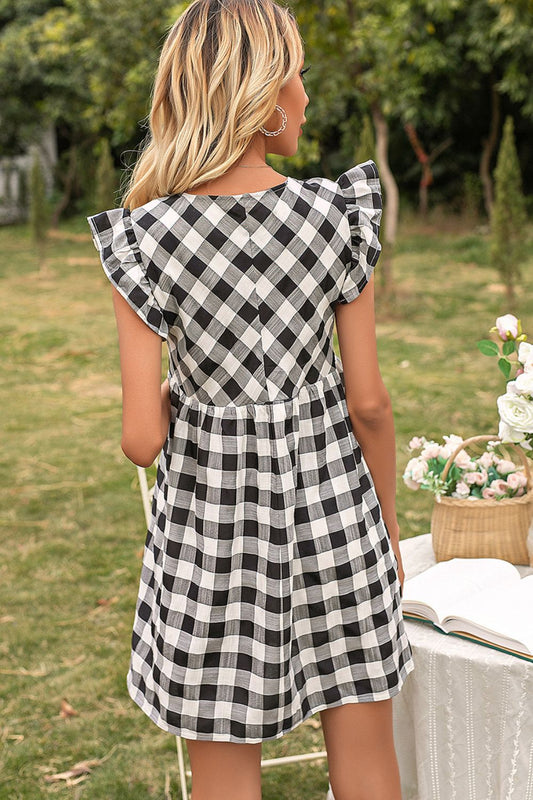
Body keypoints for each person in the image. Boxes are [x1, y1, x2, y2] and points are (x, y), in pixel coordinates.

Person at [87, 1, 415, 798]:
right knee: (367, 759)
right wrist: (385, 525)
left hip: (212, 536)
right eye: (297, 75)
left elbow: (140, 440)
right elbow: (368, 404)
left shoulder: (145, 237)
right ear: (264, 95)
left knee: (225, 772)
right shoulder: (335, 215)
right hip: (335, 515)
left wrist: (184, 394)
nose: (305, 93)